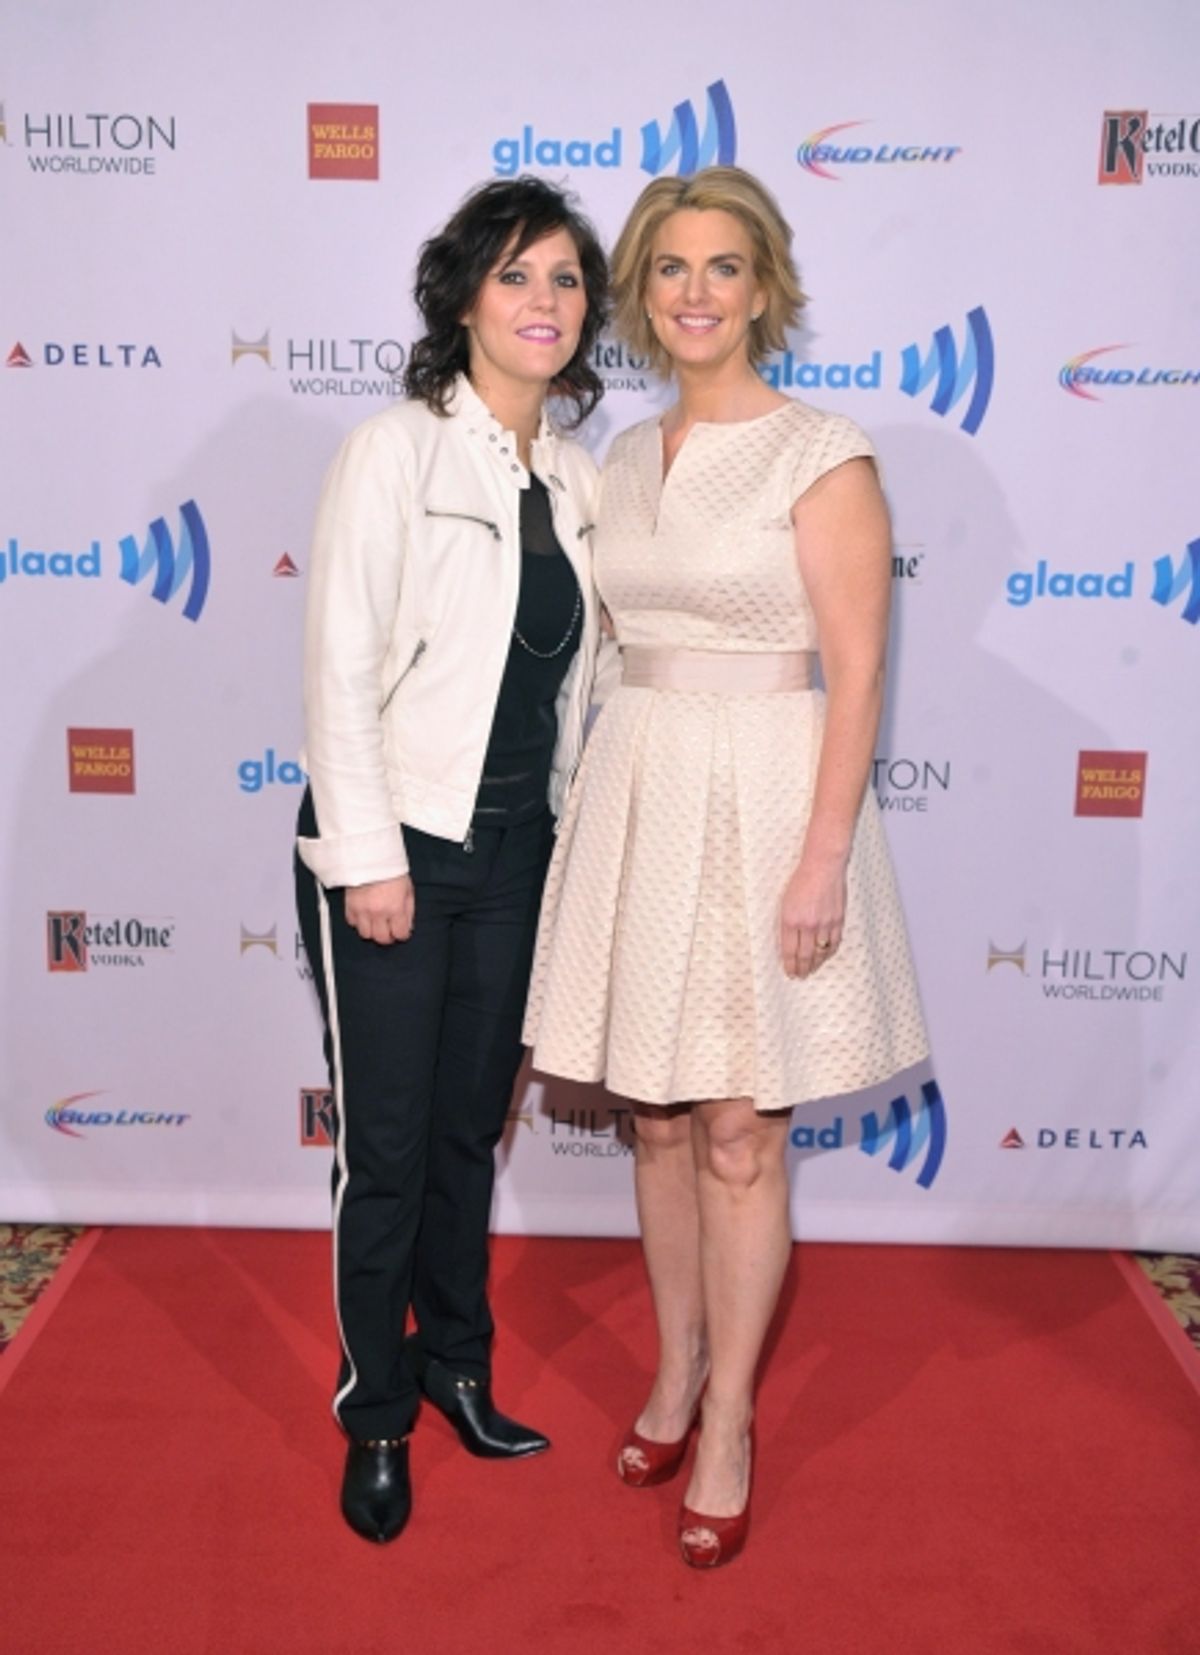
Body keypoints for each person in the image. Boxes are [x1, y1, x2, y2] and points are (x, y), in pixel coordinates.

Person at [524, 166, 929, 1568]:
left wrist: (820, 860)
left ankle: (737, 1414)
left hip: (766, 799)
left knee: (745, 1131)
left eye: (723, 267)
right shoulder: (624, 457)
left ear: (764, 286)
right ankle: (675, 1367)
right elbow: (610, 653)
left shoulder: (826, 451)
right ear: (641, 291)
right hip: (642, 791)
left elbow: (860, 674)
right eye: (671, 268)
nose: (695, 292)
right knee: (652, 1120)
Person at [295, 176, 610, 1545]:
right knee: (390, 1151)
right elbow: (340, 672)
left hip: (516, 854)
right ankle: (375, 1414)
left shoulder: (584, 478)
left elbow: (582, 695)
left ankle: (457, 1369)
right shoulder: (394, 451)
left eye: (566, 280)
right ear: (463, 297)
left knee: (471, 1136)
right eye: (516, 275)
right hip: (397, 851)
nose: (544, 302)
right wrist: (370, 857)